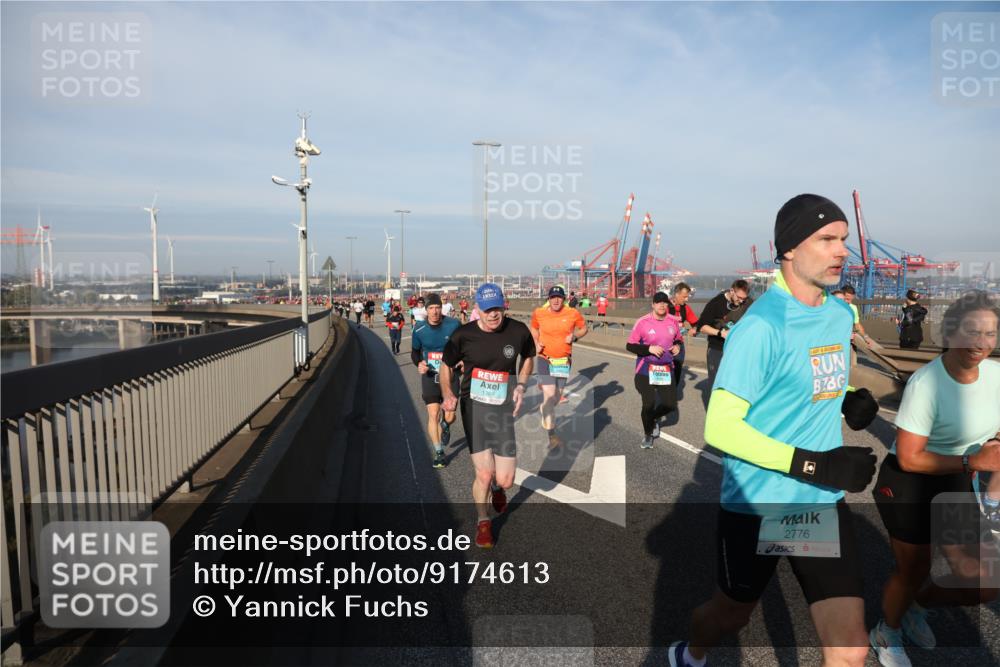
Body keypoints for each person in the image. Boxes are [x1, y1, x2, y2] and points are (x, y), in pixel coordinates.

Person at [669, 194, 879, 667]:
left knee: (850, 649)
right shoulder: (761, 326)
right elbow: (721, 427)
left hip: (819, 502)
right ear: (788, 249)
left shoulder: (838, 314)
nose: (842, 251)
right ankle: (690, 652)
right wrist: (817, 463)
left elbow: (810, 380)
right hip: (760, 503)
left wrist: (848, 400)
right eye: (826, 239)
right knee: (730, 616)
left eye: (844, 240)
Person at [868, 291, 1000, 667]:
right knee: (914, 568)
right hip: (908, 482)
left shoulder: (996, 375)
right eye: (971, 331)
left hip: (956, 474)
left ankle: (917, 608)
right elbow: (910, 458)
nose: (981, 343)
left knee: (983, 582)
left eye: (990, 334)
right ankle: (886, 629)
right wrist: (973, 459)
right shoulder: (927, 383)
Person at [440, 283, 535, 548]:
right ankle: (483, 522)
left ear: (504, 306)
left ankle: (498, 488)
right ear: (477, 309)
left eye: (497, 309)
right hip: (475, 406)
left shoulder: (517, 331)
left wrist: (521, 385)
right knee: (483, 473)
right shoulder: (463, 335)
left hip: (503, 408)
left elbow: (528, 357)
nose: (493, 315)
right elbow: (446, 365)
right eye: (487, 310)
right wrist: (448, 392)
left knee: (504, 479)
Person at [530, 285, 588, 448]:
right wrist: (536, 342)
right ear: (548, 299)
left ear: (564, 299)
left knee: (555, 398)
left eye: (559, 297)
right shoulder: (539, 313)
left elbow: (584, 328)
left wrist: (575, 336)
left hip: (563, 361)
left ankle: (546, 408)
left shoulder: (572, 313)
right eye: (553, 297)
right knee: (549, 396)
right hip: (544, 359)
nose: (556, 300)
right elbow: (534, 327)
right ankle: (552, 436)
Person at [411, 294, 463, 468]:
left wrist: (463, 360)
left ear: (442, 308)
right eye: (431, 308)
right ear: (425, 310)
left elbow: (465, 346)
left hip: (450, 375)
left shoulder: (454, 325)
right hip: (430, 376)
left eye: (437, 308)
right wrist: (419, 363)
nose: (435, 311)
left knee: (450, 415)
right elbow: (415, 352)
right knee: (433, 414)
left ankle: (446, 424)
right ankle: (439, 452)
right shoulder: (419, 328)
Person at [626, 291, 682, 449]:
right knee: (649, 403)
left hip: (666, 369)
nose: (662, 305)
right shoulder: (642, 322)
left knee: (670, 405)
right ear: (653, 304)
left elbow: (678, 339)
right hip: (645, 369)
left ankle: (652, 419)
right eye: (658, 302)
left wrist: (677, 346)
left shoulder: (672, 321)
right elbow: (630, 345)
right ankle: (648, 435)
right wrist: (649, 348)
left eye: (665, 302)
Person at [695, 279, 752, 391]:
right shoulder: (715, 303)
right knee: (717, 385)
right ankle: (714, 407)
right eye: (739, 297)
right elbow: (701, 327)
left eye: (743, 299)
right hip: (717, 349)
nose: (741, 301)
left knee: (736, 384)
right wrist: (721, 333)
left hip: (738, 349)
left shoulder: (748, 302)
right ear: (732, 291)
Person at [668, 282, 700, 398]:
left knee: (677, 369)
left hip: (679, 344)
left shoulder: (685, 308)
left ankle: (671, 392)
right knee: (663, 368)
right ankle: (662, 389)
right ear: (676, 294)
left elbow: (696, 323)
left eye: (687, 297)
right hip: (665, 344)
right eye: (684, 296)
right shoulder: (665, 306)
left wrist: (694, 329)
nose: (686, 299)